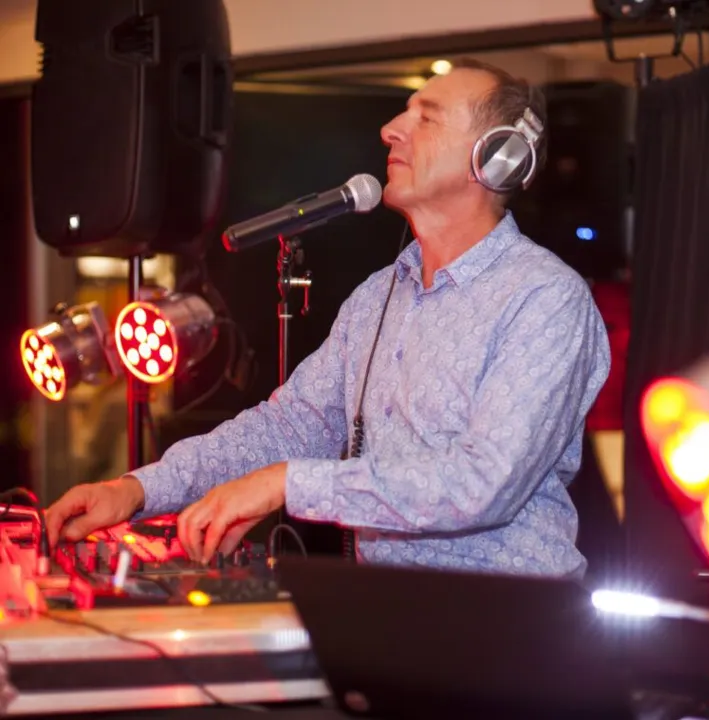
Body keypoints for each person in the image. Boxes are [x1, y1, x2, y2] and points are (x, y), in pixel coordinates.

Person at [45, 59, 612, 579]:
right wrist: (137, 490)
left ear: (496, 159)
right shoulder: (376, 298)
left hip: (508, 628)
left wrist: (287, 484)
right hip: (389, 617)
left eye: (427, 117)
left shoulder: (544, 298)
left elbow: (483, 483)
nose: (391, 129)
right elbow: (291, 427)